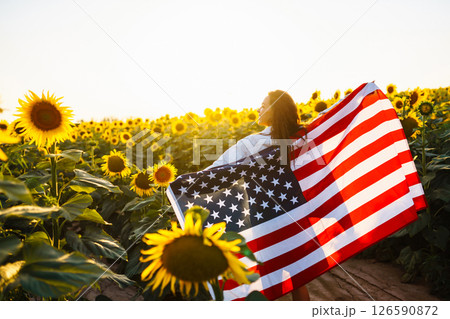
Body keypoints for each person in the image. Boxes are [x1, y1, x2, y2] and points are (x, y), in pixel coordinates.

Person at [208, 90, 310, 301]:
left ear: (275, 110)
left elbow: (219, 168)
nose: (258, 109)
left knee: (267, 277)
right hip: (294, 212)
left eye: (263, 105)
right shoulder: (302, 136)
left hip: (264, 215)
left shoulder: (251, 142)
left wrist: (182, 183)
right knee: (298, 278)